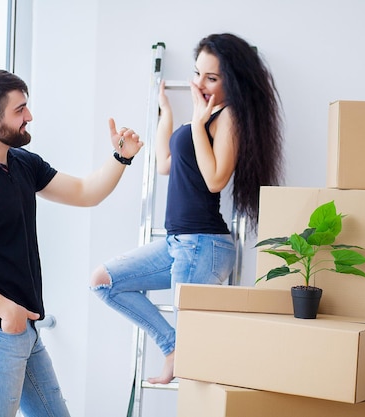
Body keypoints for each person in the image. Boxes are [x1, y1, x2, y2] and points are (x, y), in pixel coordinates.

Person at [0, 69, 142, 417]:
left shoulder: (21, 162)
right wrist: (6, 311)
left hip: (21, 327)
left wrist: (121, 156)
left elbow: (85, 192)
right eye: (20, 110)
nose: (29, 116)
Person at [90, 33, 284, 385]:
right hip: (179, 243)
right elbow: (165, 163)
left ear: (233, 81)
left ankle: (181, 354)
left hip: (203, 244)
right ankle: (173, 347)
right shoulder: (203, 116)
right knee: (103, 282)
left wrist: (196, 123)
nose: (199, 84)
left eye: (211, 78)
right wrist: (166, 113)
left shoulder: (228, 118)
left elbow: (215, 180)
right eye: (198, 74)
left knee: (197, 370)